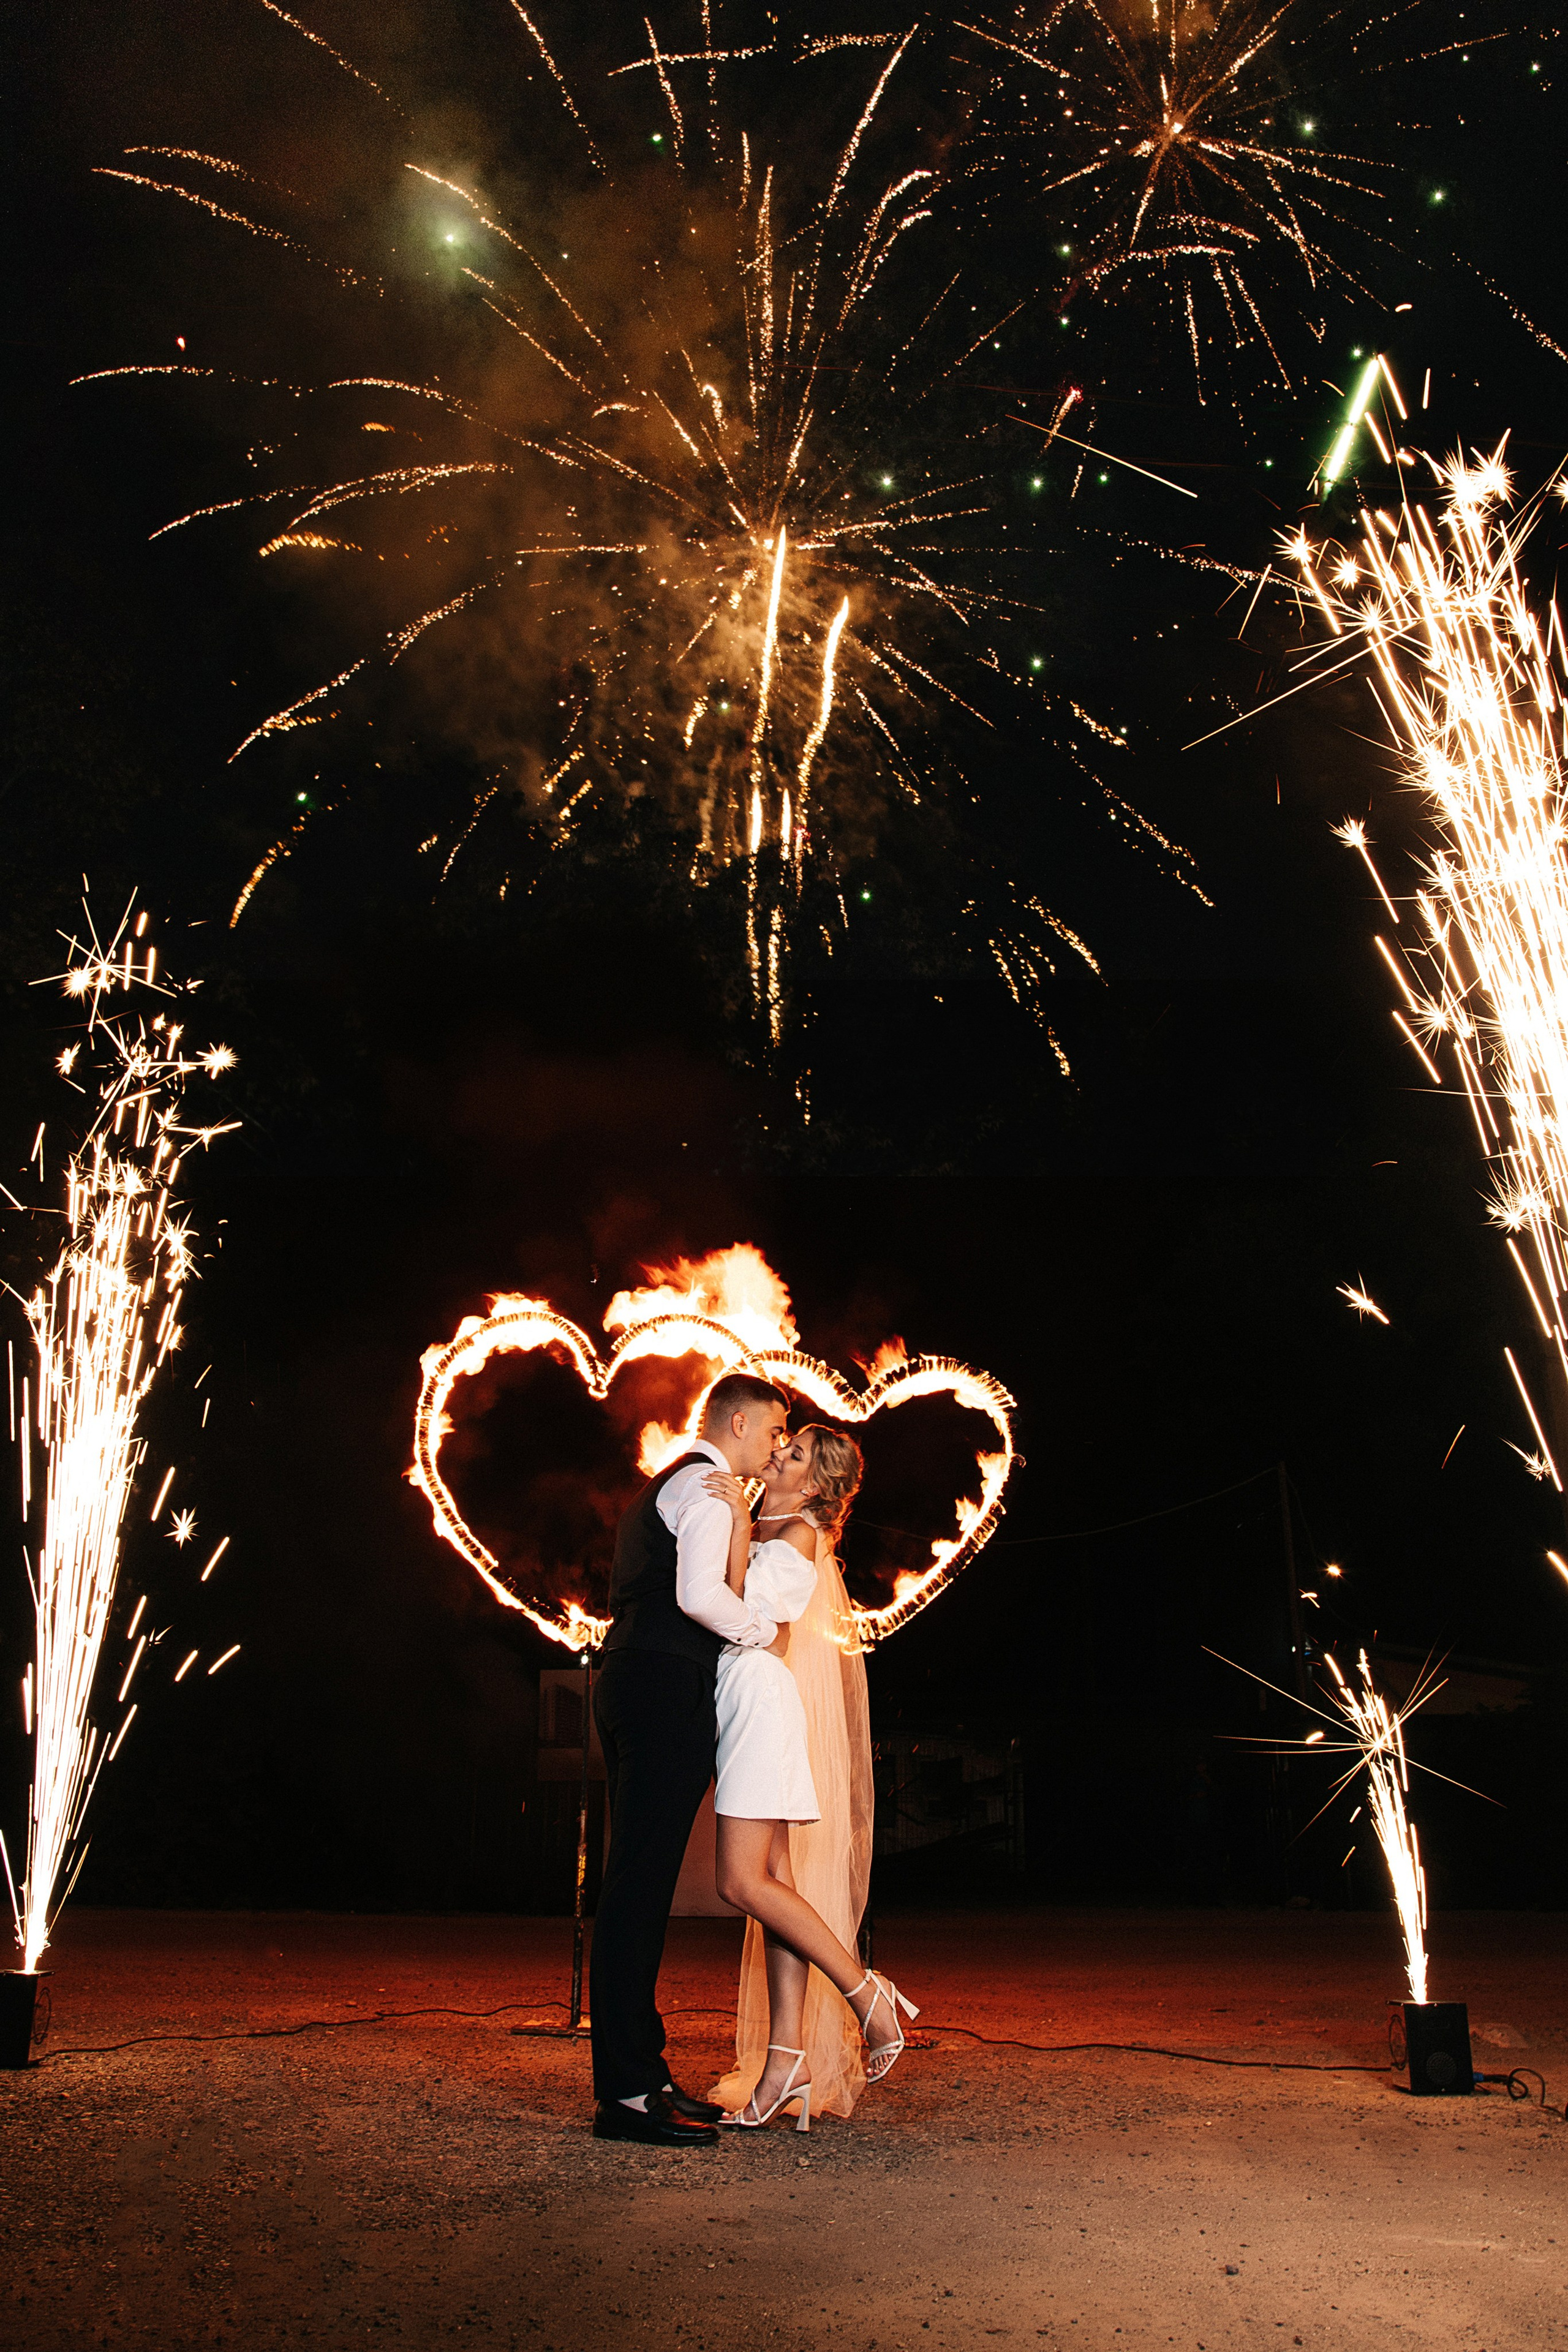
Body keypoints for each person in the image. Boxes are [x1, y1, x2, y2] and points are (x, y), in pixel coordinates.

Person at [589, 1371, 789, 2147]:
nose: (777, 1446)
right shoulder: (706, 1489)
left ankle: (644, 2074)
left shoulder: (679, 1485)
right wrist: (765, 1635)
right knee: (638, 1889)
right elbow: (700, 1596)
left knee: (638, 1885)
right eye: (773, 1430)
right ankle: (628, 2095)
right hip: (660, 1686)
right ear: (737, 1423)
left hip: (638, 1679)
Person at [702, 1425, 919, 2131]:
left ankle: (866, 1994)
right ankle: (785, 2061)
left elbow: (749, 1619)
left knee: (741, 1883)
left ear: (815, 1485)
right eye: (784, 1444)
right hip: (741, 1705)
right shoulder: (763, 1519)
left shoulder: (797, 1535)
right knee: (775, 1886)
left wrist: (735, 1526)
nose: (777, 1453)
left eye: (793, 1455)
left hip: (761, 1706)